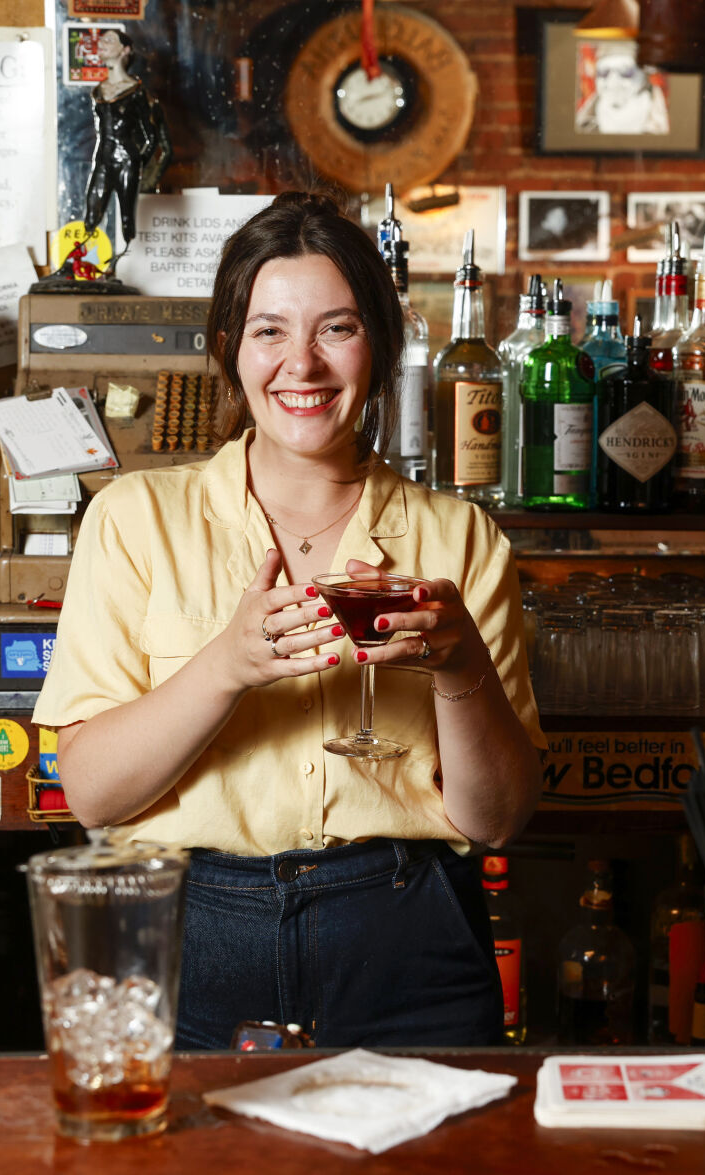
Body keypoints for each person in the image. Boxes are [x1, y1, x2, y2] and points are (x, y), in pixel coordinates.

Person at [34, 192, 546, 1050]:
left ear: (381, 347)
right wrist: (224, 667)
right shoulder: (134, 519)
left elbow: (495, 820)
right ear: (228, 349)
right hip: (188, 933)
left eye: (337, 329)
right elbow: (90, 792)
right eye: (269, 330)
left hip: (406, 938)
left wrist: (459, 668)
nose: (301, 364)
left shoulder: (460, 538)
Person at [80, 29, 168, 273]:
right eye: (102, 40)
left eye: (109, 40)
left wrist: (138, 162)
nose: (102, 44)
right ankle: (86, 263)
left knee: (127, 215)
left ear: (125, 50)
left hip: (126, 159)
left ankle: (116, 264)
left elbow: (151, 136)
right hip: (103, 158)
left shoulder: (135, 90)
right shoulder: (99, 91)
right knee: (92, 209)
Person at [575, 43, 669, 136]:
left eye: (625, 72)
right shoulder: (583, 125)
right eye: (603, 72)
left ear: (644, 77)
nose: (612, 82)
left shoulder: (660, 127)